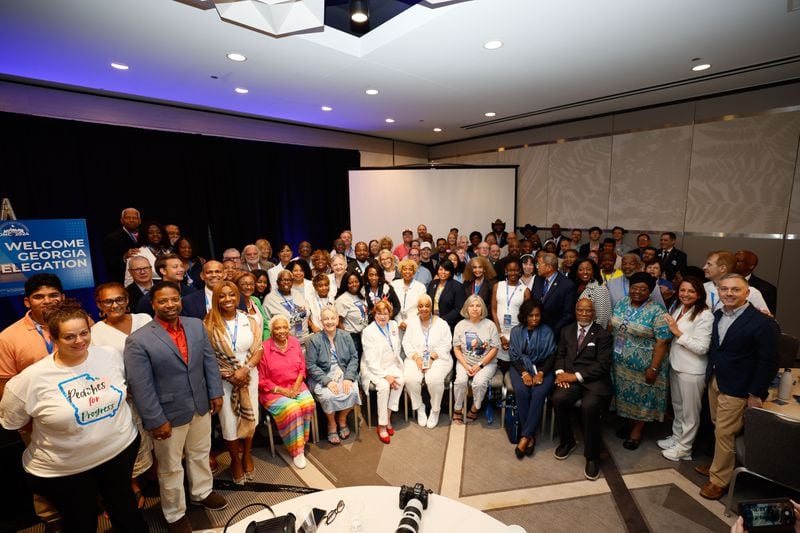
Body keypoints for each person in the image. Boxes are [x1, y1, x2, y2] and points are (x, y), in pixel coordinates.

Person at [0, 301, 147, 533]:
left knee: (127, 513)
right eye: (69, 337)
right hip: (67, 470)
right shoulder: (28, 381)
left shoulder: (110, 356)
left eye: (84, 333)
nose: (80, 341)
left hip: (119, 453)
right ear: (52, 338)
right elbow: (14, 422)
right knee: (81, 522)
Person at [124, 281, 227, 532]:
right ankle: (174, 514)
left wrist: (215, 392)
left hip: (200, 405)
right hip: (167, 414)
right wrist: (155, 420)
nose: (170, 305)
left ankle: (202, 492)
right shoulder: (139, 340)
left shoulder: (195, 325)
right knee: (170, 468)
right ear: (153, 304)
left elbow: (209, 361)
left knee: (200, 453)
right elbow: (141, 386)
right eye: (163, 301)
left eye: (174, 299)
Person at [696, 274, 778, 501]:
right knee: (718, 426)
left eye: (735, 289)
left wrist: (755, 393)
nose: (729, 293)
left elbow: (768, 362)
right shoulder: (718, 314)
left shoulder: (762, 322)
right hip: (716, 379)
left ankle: (719, 480)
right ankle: (720, 464)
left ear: (747, 293)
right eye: (724, 289)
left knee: (725, 431)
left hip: (739, 386)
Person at [91, 282, 154, 509]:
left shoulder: (144, 320)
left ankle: (155, 474)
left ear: (127, 300)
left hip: (154, 389)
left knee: (158, 434)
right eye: (108, 301)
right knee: (132, 439)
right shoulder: (95, 333)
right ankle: (133, 483)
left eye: (119, 299)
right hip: (125, 396)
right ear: (100, 304)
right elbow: (97, 369)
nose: (115, 304)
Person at [204, 281, 262, 485]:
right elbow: (207, 357)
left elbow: (258, 349)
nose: (227, 299)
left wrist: (245, 370)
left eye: (231, 295)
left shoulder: (249, 320)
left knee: (250, 418)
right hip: (224, 380)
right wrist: (229, 375)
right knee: (229, 423)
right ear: (216, 298)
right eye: (222, 296)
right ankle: (235, 460)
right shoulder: (208, 323)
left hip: (248, 377)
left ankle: (247, 455)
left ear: (237, 297)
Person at [609, 273, 673, 451]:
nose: (637, 292)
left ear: (650, 290)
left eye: (643, 289)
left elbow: (662, 341)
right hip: (620, 363)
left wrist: (653, 367)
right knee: (625, 396)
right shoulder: (622, 302)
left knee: (642, 398)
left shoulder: (658, 311)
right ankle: (630, 424)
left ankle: (637, 431)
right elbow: (613, 325)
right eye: (634, 288)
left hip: (645, 366)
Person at [552, 299, 614, 481]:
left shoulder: (602, 335)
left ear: (593, 313)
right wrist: (560, 373)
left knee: (590, 406)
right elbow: (560, 355)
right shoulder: (567, 330)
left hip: (594, 382)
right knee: (558, 399)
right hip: (570, 379)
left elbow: (603, 365)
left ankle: (592, 456)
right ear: (576, 311)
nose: (584, 314)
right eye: (581, 310)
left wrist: (575, 376)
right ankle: (567, 441)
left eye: (588, 311)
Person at [657, 277, 713, 461]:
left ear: (699, 294)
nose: (685, 294)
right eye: (682, 290)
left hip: (692, 369)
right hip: (676, 364)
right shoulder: (679, 307)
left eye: (690, 291)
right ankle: (676, 437)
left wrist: (677, 332)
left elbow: (702, 347)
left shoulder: (705, 314)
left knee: (690, 412)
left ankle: (684, 448)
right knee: (678, 407)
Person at [257, 315, 315, 468]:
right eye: (277, 328)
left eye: (284, 327)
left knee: (308, 403)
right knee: (293, 409)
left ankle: (300, 438)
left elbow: (302, 367)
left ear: (289, 329)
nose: (282, 331)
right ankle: (297, 451)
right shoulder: (264, 348)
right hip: (273, 391)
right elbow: (261, 379)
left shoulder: (295, 343)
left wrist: (296, 386)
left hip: (295, 385)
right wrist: (284, 391)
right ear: (271, 331)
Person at [0, 273, 64, 397]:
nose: (47, 301)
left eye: (53, 295)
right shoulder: (7, 338)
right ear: (27, 302)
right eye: (39, 297)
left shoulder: (82, 324)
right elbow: (5, 390)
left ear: (63, 297)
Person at [305, 305, 360, 444]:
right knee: (328, 396)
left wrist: (348, 378)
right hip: (322, 375)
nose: (329, 321)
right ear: (321, 321)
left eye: (332, 318)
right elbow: (311, 365)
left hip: (344, 371)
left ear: (337, 320)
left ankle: (342, 419)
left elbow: (354, 357)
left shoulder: (346, 336)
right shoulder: (314, 340)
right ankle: (332, 424)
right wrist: (327, 381)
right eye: (326, 319)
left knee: (353, 391)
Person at [508, 298, 556, 458]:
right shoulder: (516, 331)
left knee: (538, 393)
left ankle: (525, 436)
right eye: (530, 316)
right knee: (521, 391)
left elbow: (551, 356)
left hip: (543, 368)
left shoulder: (547, 331)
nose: (534, 319)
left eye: (537, 315)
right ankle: (530, 435)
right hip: (520, 367)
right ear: (524, 316)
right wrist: (524, 373)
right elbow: (514, 356)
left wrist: (541, 373)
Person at [401, 294, 453, 429]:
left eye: (427, 305)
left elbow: (447, 345)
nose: (424, 308)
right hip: (416, 358)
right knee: (410, 378)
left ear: (432, 307)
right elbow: (406, 344)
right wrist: (417, 359)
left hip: (439, 358)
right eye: (421, 306)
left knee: (434, 378)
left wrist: (431, 358)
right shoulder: (412, 323)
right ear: (417, 308)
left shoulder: (442, 324)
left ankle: (435, 410)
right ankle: (419, 407)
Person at [452, 295, 501, 424]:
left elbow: (494, 349)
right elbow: (456, 349)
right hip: (465, 361)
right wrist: (465, 365)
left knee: (479, 383)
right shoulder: (460, 325)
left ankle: (475, 408)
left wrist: (479, 365)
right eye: (472, 306)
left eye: (478, 306)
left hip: (486, 363)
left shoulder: (490, 325)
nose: (475, 309)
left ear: (482, 308)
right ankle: (457, 408)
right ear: (466, 308)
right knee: (460, 381)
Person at [361, 300, 404, 443]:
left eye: (385, 313)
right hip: (374, 367)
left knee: (401, 380)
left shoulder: (393, 325)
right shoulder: (368, 331)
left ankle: (388, 415)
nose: (382, 317)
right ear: (374, 314)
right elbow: (371, 360)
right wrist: (386, 376)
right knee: (384, 386)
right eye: (379, 313)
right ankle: (382, 425)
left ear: (390, 314)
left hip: (391, 364)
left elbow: (395, 348)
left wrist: (392, 372)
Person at [491, 257, 530, 372]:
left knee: (512, 365)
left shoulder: (525, 290)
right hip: (498, 332)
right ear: (505, 271)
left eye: (516, 270)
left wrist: (513, 338)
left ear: (520, 271)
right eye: (510, 270)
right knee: (498, 364)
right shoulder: (498, 286)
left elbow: (526, 317)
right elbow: (493, 310)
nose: (513, 273)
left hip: (516, 334)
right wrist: (500, 334)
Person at [703, 251, 769, 313]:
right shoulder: (702, 288)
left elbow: (766, 320)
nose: (704, 267)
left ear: (722, 268)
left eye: (709, 264)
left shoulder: (751, 292)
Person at [532, 252, 577, 340]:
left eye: (539, 264)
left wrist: (552, 331)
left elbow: (568, 315)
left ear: (549, 267)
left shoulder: (567, 285)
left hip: (555, 334)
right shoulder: (537, 279)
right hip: (535, 331)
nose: (537, 267)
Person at [264, 270, 311, 345]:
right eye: (283, 280)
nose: (286, 282)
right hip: (285, 343)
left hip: (305, 339)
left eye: (289, 280)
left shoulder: (297, 294)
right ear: (277, 282)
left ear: (292, 282)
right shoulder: (270, 299)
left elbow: (307, 312)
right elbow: (267, 323)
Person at [570, 258, 612, 329]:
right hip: (576, 329)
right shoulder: (574, 286)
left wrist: (590, 334)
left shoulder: (599, 288)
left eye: (589, 269)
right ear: (576, 272)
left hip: (591, 333)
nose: (585, 272)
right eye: (581, 270)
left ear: (593, 271)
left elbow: (602, 318)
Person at [390, 259, 428, 338]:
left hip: (414, 323)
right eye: (405, 269)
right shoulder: (394, 285)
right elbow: (392, 305)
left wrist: (408, 322)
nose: (407, 272)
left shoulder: (420, 287)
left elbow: (421, 307)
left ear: (414, 271)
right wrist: (399, 322)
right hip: (396, 322)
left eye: (410, 269)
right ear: (401, 271)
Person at [103, 207, 142, 283]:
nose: (131, 220)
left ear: (140, 221)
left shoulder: (146, 235)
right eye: (128, 218)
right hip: (123, 280)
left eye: (135, 218)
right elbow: (110, 263)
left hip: (145, 277)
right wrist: (124, 257)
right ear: (122, 220)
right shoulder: (112, 238)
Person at [734, 250, 777, 316]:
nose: (734, 263)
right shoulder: (721, 282)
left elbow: (768, 318)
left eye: (739, 261)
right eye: (733, 260)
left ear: (751, 266)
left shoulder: (766, 289)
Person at [427, 259, 466, 331]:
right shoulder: (433, 283)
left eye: (446, 270)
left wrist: (441, 320)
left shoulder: (457, 286)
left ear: (450, 272)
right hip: (431, 322)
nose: (443, 272)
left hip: (449, 324)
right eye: (441, 269)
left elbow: (459, 309)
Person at [233, 271, 270, 340]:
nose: (249, 287)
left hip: (261, 346)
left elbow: (265, 326)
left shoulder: (256, 300)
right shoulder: (233, 304)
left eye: (252, 284)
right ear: (236, 286)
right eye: (244, 284)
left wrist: (265, 344)